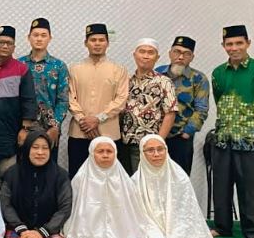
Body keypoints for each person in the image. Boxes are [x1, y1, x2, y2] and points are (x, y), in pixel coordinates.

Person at [210, 25, 254, 238]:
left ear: (248, 43)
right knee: (221, 185)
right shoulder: (218, 73)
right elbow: (219, 100)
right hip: (223, 138)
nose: (234, 48)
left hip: (252, 141)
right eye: (229, 44)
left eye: (239, 43)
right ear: (223, 46)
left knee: (252, 189)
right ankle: (222, 226)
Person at [63, 136, 165, 238]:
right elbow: (72, 212)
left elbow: (135, 213)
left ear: (115, 153)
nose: (105, 155)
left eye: (109, 151)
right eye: (100, 151)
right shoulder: (80, 179)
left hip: (123, 235)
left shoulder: (125, 181)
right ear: (92, 153)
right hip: (87, 234)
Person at [132, 134, 225, 238]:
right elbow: (137, 216)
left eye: (160, 149)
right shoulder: (135, 181)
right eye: (150, 150)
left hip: (178, 229)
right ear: (142, 154)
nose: (156, 154)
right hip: (150, 229)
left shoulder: (179, 177)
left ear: (166, 150)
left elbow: (187, 213)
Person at [0, 129, 72, 238]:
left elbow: (64, 209)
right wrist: (23, 231)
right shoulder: (12, 174)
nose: (40, 152)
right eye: (35, 147)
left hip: (49, 231)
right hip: (19, 231)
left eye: (45, 148)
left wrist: (41, 233)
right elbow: (6, 205)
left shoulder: (60, 176)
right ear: (27, 149)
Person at [66, 23, 128, 178]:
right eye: (93, 40)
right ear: (86, 43)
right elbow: (70, 97)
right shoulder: (74, 69)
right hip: (79, 133)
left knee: (108, 179)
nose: (97, 44)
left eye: (101, 40)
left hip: (108, 133)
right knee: (78, 177)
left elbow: (121, 99)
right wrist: (83, 121)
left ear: (107, 43)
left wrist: (98, 119)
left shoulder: (119, 70)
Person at [0, 25, 37, 176]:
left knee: (10, 176)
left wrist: (25, 129)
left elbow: (29, 100)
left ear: (14, 47)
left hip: (10, 134)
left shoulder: (22, 69)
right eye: (1, 42)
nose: (5, 46)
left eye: (9, 43)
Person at [119, 38, 177, 175]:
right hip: (125, 142)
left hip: (149, 146)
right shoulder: (127, 81)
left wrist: (158, 142)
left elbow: (170, 113)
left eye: (150, 53)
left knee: (145, 184)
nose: (145, 56)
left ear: (157, 57)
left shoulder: (164, 81)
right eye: (142, 52)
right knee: (127, 183)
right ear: (134, 55)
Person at [154, 36, 209, 175]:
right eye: (176, 52)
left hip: (181, 137)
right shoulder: (157, 73)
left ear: (192, 57)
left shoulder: (198, 78)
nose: (180, 57)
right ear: (170, 53)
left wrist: (187, 132)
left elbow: (201, 109)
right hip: (156, 134)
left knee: (180, 178)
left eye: (186, 54)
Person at [18, 18, 69, 164]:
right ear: (29, 37)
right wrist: (22, 128)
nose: (39, 39)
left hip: (49, 128)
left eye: (43, 35)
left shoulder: (59, 66)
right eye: (35, 35)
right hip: (24, 127)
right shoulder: (19, 64)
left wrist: (55, 126)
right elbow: (14, 98)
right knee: (23, 168)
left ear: (50, 38)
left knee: (49, 168)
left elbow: (63, 100)